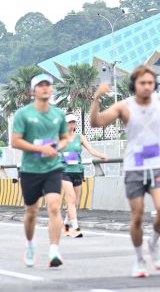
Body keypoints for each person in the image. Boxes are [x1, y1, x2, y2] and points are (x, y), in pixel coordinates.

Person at [90, 64, 160, 279]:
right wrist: (96, 99)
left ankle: (153, 242)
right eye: (142, 83)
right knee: (137, 217)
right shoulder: (124, 106)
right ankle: (138, 258)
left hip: (157, 166)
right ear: (134, 84)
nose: (146, 86)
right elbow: (96, 122)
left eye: (150, 83)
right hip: (134, 168)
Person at [11, 74, 68, 268]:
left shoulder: (58, 114)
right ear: (33, 90)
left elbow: (64, 138)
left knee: (54, 207)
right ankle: (29, 244)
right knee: (31, 211)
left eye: (48, 85)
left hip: (53, 167)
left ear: (51, 89)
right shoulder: (23, 114)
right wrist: (40, 148)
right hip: (30, 169)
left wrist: (57, 147)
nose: (45, 88)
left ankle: (54, 250)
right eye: (40, 85)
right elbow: (15, 141)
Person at [62, 112, 107, 238]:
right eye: (69, 122)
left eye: (73, 122)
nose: (71, 124)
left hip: (77, 170)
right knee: (71, 199)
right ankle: (75, 228)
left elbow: (91, 149)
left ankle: (65, 226)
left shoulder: (80, 137)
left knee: (75, 203)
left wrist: (100, 155)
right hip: (64, 171)